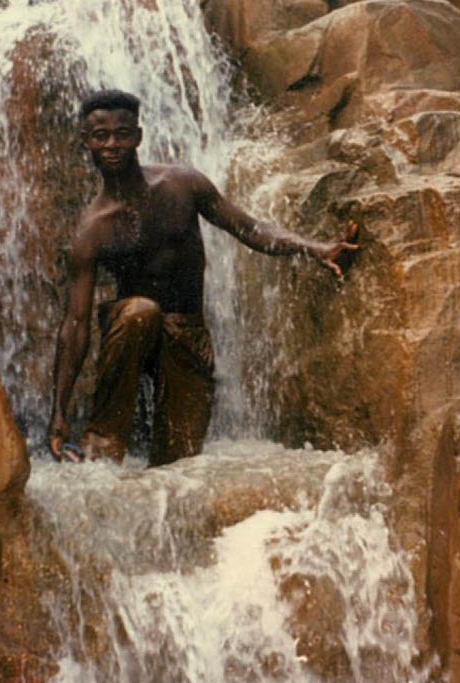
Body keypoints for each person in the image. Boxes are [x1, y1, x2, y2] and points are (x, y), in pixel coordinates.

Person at [47, 89, 359, 466]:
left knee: (179, 464)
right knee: (139, 312)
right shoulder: (92, 230)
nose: (112, 145)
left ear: (139, 137)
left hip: (188, 334)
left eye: (122, 133)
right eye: (101, 136)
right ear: (87, 142)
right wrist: (59, 414)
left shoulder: (182, 185)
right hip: (130, 333)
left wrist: (314, 247)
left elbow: (251, 229)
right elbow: (76, 323)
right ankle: (102, 447)